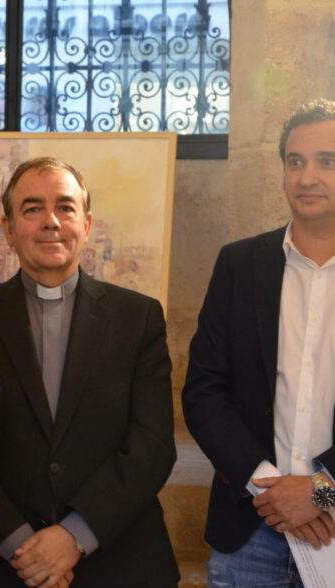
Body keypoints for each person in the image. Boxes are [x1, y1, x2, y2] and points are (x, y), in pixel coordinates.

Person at [0, 157, 179, 587]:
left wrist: (75, 536)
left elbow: (152, 445)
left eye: (65, 208)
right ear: (9, 230)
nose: (51, 221)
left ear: (85, 225)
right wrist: (20, 545)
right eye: (32, 209)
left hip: (119, 563)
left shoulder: (137, 318)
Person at [183, 98, 335, 587]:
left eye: (327, 162)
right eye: (296, 162)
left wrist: (322, 491)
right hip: (251, 530)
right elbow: (204, 392)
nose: (307, 177)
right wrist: (268, 488)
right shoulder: (239, 265)